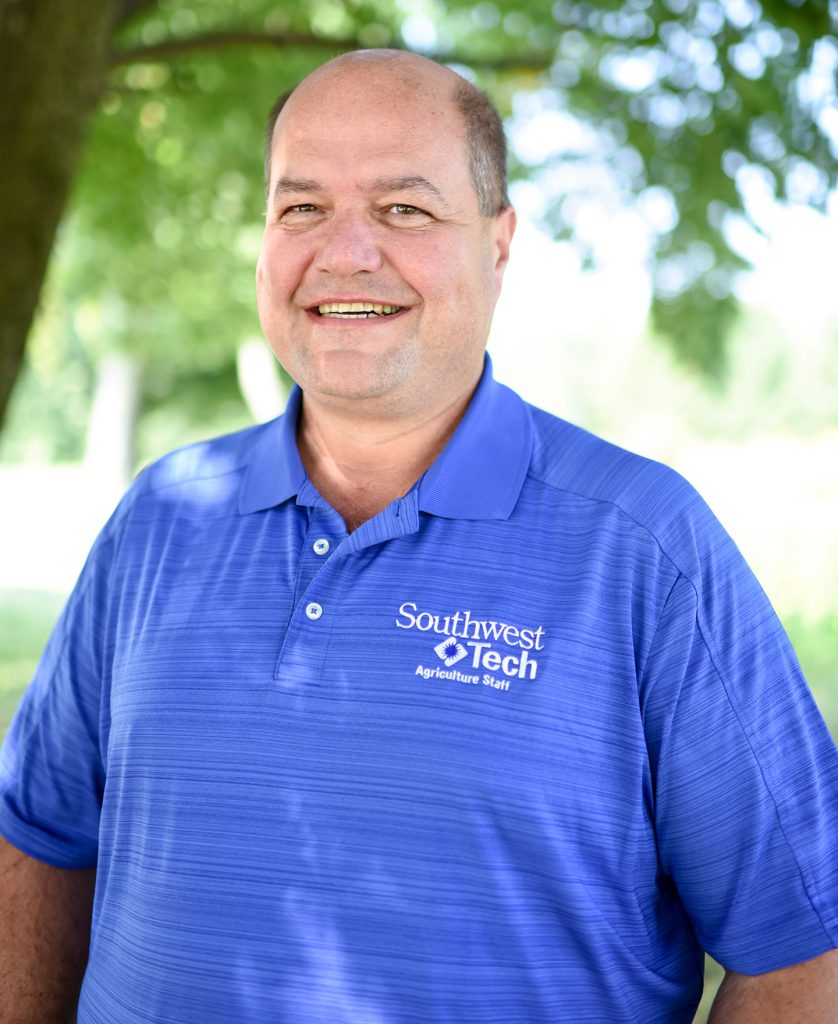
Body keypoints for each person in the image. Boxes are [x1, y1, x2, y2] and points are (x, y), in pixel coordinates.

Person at [1, 48, 837, 1024]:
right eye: (301, 207)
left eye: (404, 209)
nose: (345, 252)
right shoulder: (159, 517)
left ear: (498, 242)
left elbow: (804, 949)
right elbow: (38, 834)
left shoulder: (643, 547)